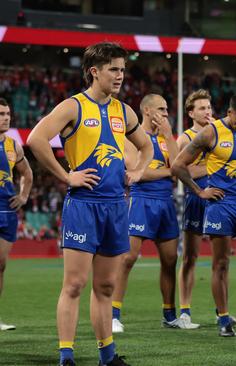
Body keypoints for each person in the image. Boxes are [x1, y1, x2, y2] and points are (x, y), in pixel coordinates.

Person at [27, 42, 153, 366]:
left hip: (115, 206)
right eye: (114, 69)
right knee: (74, 284)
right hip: (83, 205)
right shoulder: (72, 107)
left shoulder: (124, 111)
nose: (120, 75)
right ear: (94, 71)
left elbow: (146, 146)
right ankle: (66, 356)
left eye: (123, 69)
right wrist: (66, 176)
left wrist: (137, 171)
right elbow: (36, 140)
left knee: (106, 285)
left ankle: (107, 357)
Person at [172, 94, 236, 337]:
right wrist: (199, 191)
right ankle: (224, 320)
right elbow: (177, 165)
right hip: (221, 206)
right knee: (221, 264)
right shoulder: (211, 132)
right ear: (229, 113)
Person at [110, 94, 193, 332]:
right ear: (147, 110)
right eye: (161, 109)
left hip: (165, 203)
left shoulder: (168, 139)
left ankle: (169, 314)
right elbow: (139, 172)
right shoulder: (131, 138)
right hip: (140, 200)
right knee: (128, 258)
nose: (166, 113)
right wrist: (169, 172)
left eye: (167, 109)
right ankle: (114, 314)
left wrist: (168, 135)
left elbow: (179, 170)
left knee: (170, 260)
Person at [176, 89, 213, 328]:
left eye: (209, 107)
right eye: (202, 108)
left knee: (221, 260)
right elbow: (180, 170)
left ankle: (223, 311)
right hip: (196, 198)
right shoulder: (185, 138)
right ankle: (185, 312)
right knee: (190, 256)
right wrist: (211, 167)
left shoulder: (218, 133)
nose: (207, 111)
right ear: (191, 113)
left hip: (219, 198)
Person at [0, 97, 33, 331]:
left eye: (7, 114)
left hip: (6, 210)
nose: (5, 118)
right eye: (1, 114)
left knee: (0, 265)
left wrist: (23, 196)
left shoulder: (13, 145)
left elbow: (27, 173)